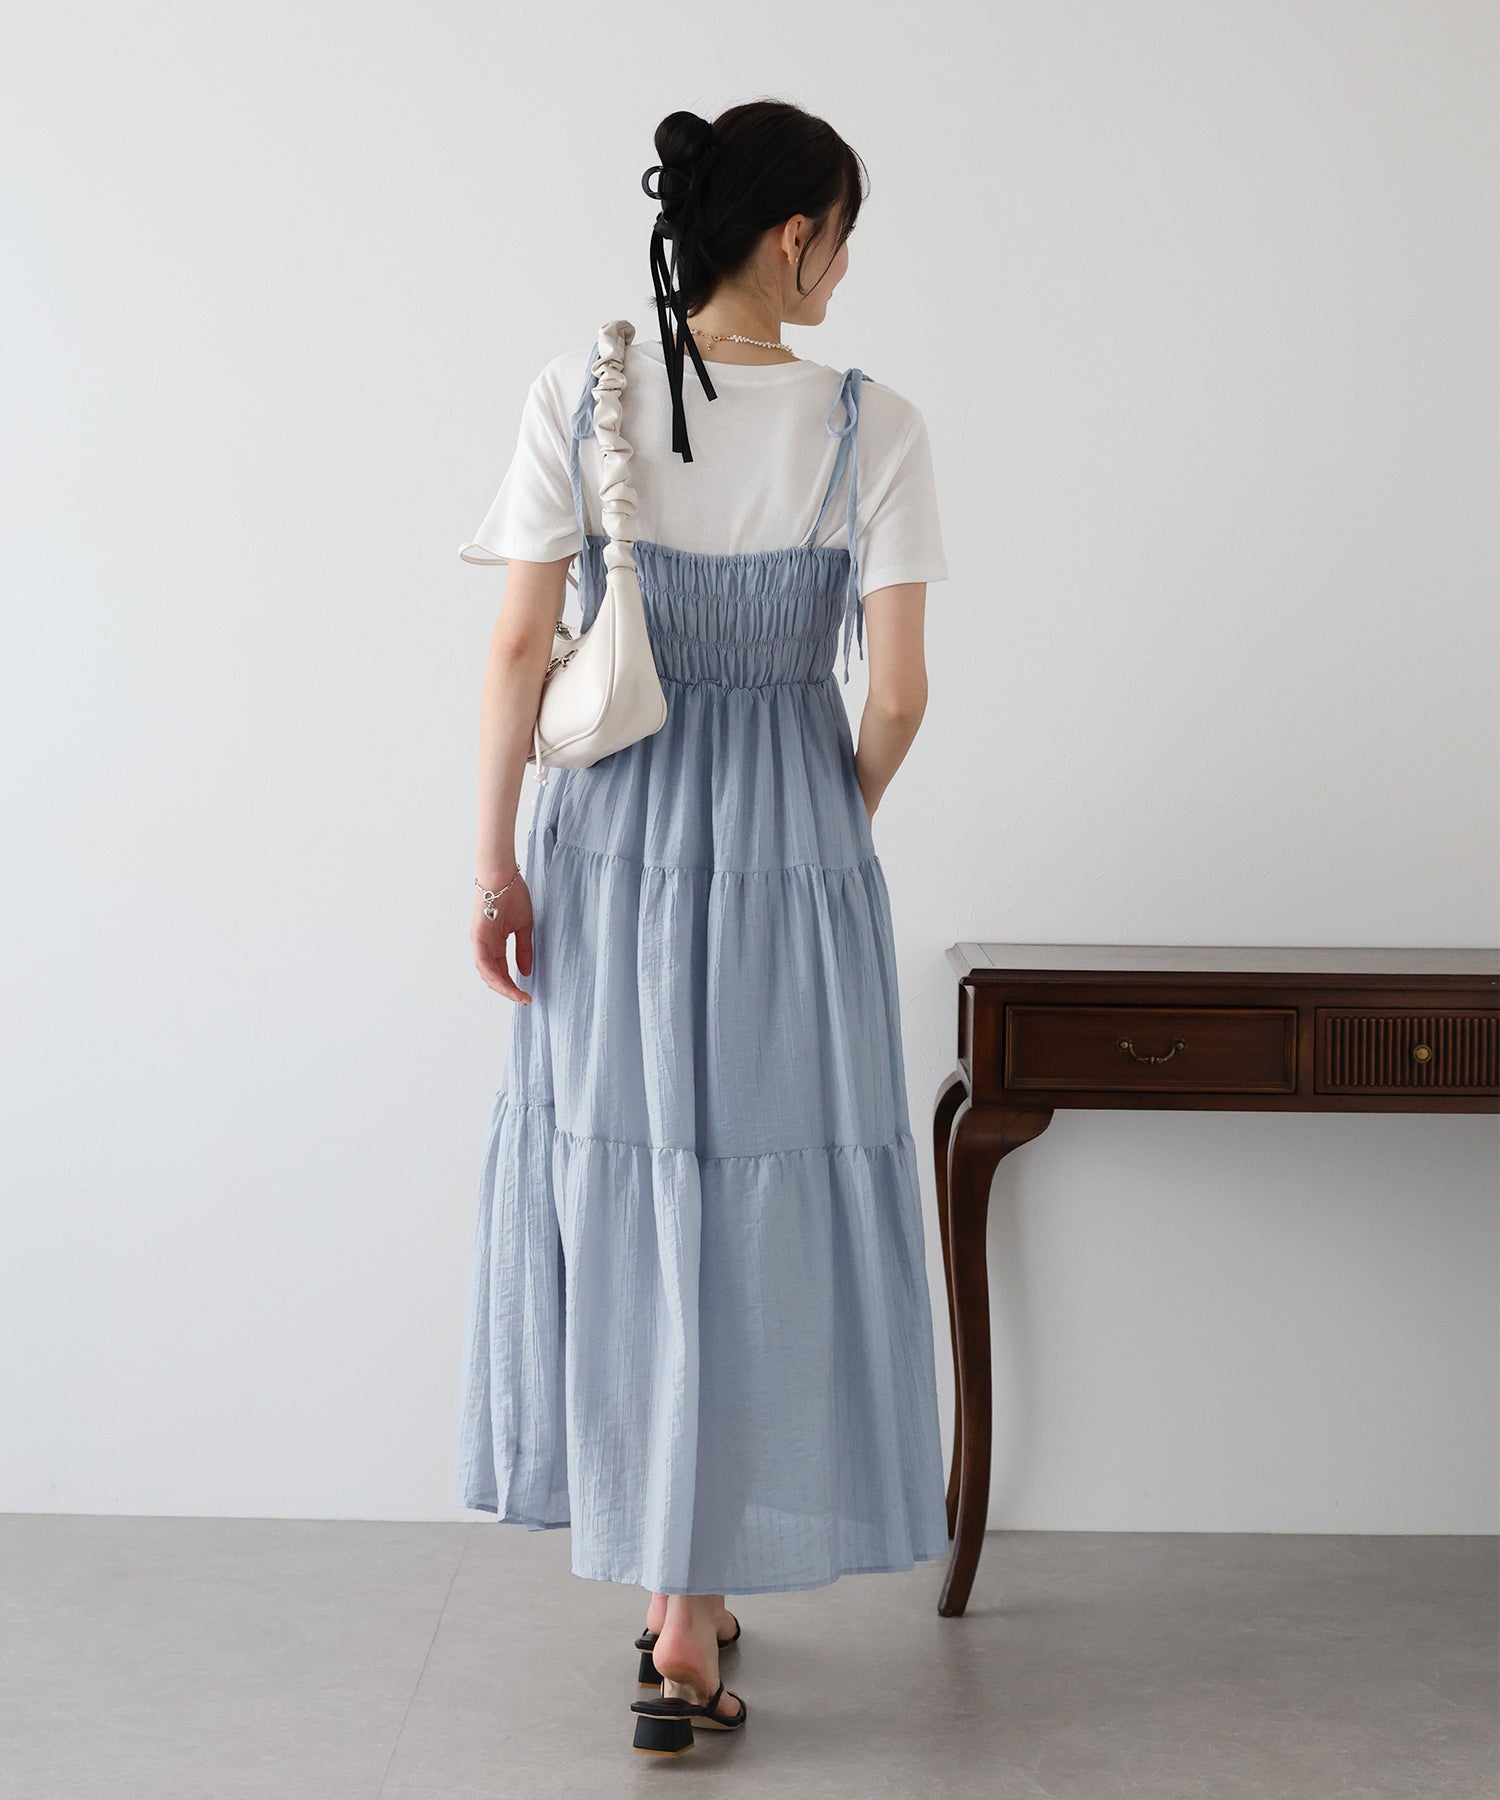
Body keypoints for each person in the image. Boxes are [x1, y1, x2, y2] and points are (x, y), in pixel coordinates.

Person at [453, 99, 952, 1756]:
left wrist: (496, 867)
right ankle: (689, 1612)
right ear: (796, 234)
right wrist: (817, 836)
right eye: (842, 237)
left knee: (640, 1183)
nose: (844, 269)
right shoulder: (874, 426)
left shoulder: (577, 390)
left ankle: (678, 1599)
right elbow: (898, 696)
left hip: (608, 847)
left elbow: (517, 651)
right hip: (798, 854)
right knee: (758, 1199)